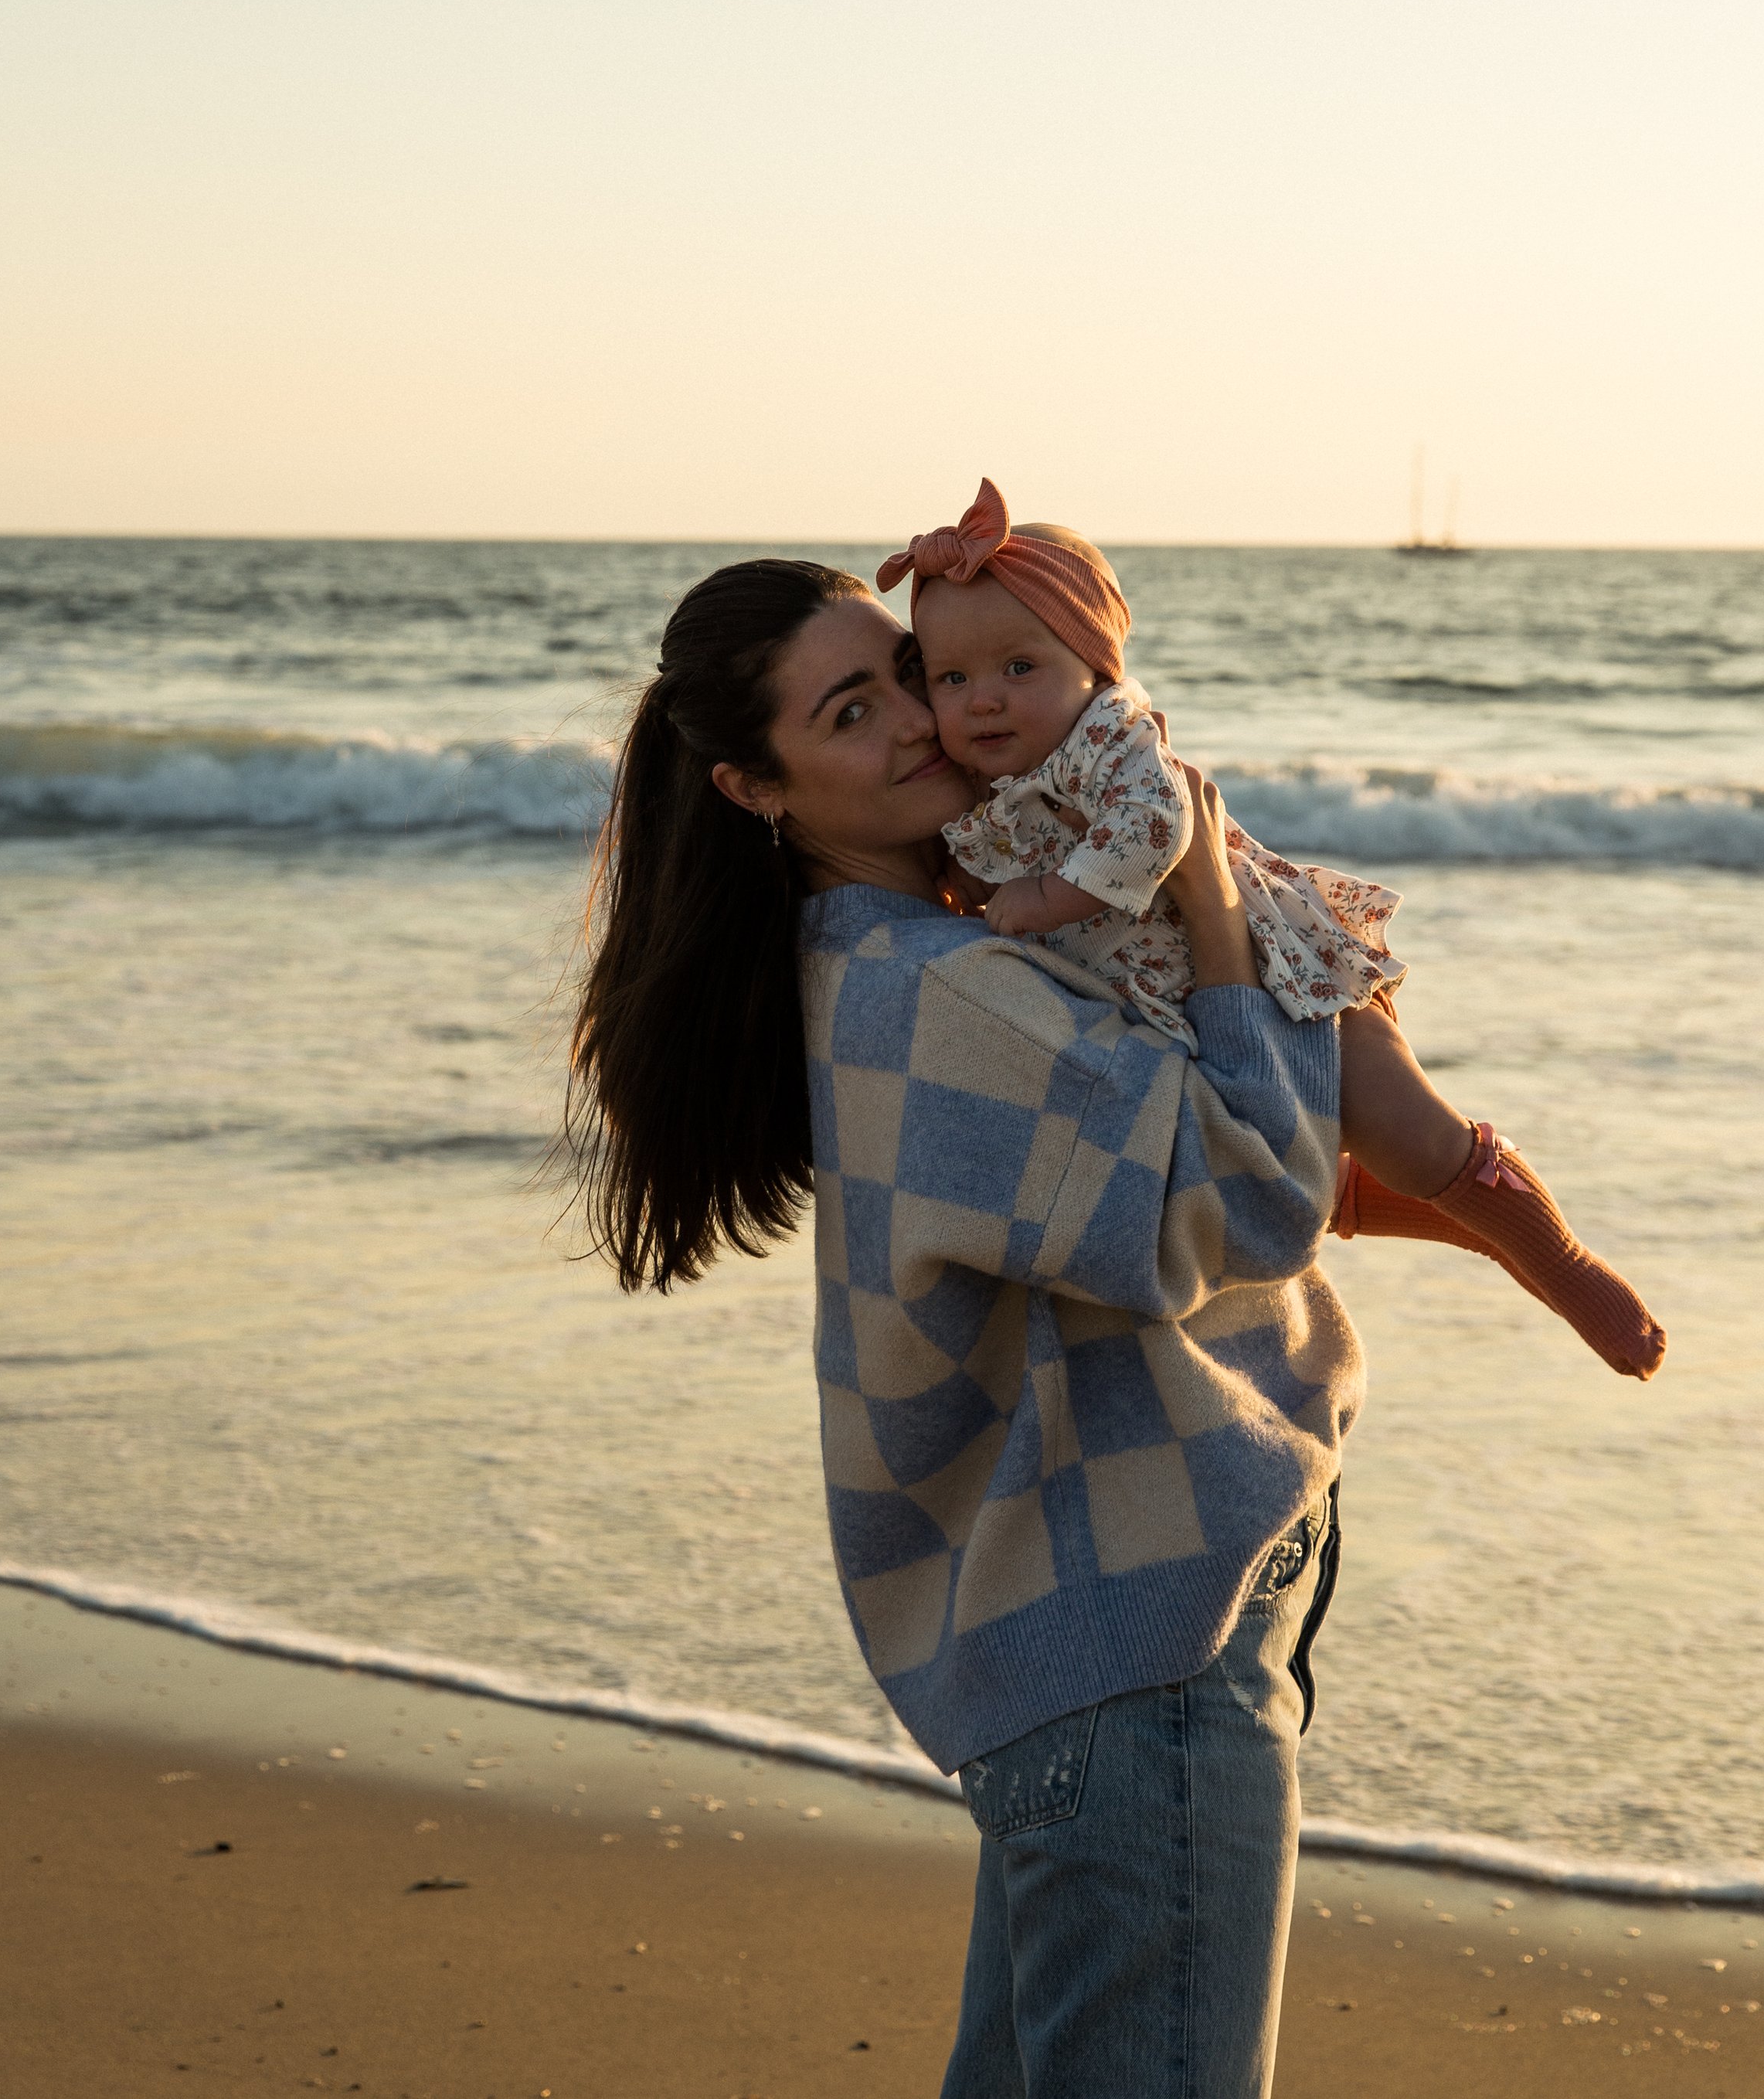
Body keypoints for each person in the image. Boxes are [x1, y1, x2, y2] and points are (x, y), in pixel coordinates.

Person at [566, 556, 1361, 2097]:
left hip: (1059, 1656)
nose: (927, 724)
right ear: (753, 787)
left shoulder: (879, 968)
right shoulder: (945, 995)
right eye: (849, 712)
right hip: (1130, 1650)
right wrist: (1199, 895)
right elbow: (1258, 1202)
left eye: (910, 676)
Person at [881, 480, 1666, 1385]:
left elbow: (1159, 820)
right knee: (1275, 1166)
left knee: (1414, 1138)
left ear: (1094, 666)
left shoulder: (1109, 736)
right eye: (953, 678)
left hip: (1283, 973)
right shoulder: (977, 784)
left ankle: (1558, 1260)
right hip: (1176, 1011)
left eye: (1020, 668)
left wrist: (1056, 895)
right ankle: (1468, 1226)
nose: (983, 701)